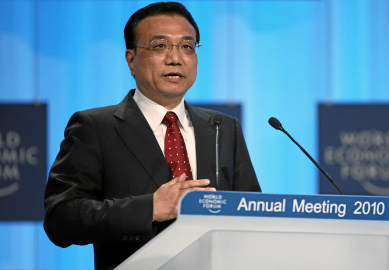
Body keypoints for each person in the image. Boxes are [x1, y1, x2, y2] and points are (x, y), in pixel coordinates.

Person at [43, 2, 261, 269]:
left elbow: (251, 215)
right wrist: (150, 208)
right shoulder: (94, 127)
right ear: (131, 60)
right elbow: (61, 219)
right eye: (160, 46)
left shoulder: (224, 128)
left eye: (187, 46)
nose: (175, 58)